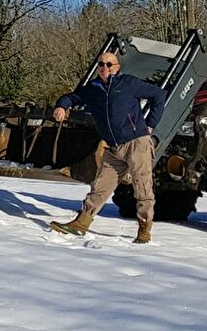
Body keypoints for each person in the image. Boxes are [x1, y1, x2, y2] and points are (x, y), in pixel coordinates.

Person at [48, 51, 167, 243]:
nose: (105, 68)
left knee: (142, 187)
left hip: (136, 142)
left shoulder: (128, 83)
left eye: (109, 64)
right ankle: (81, 224)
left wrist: (151, 123)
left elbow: (159, 95)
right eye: (101, 64)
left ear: (117, 67)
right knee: (100, 186)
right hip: (113, 147)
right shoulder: (93, 89)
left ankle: (144, 229)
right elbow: (72, 97)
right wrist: (62, 106)